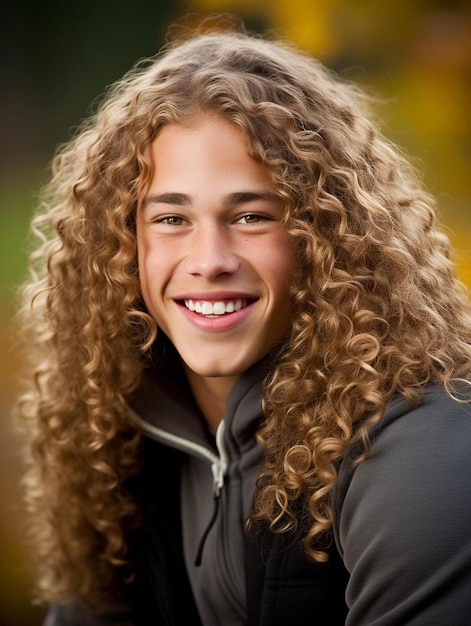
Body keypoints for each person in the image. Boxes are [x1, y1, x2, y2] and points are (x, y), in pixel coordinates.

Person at [16, 20, 471, 626]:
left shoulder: (424, 451)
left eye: (252, 216)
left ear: (324, 236)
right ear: (124, 241)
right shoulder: (116, 429)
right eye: (171, 219)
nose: (209, 261)